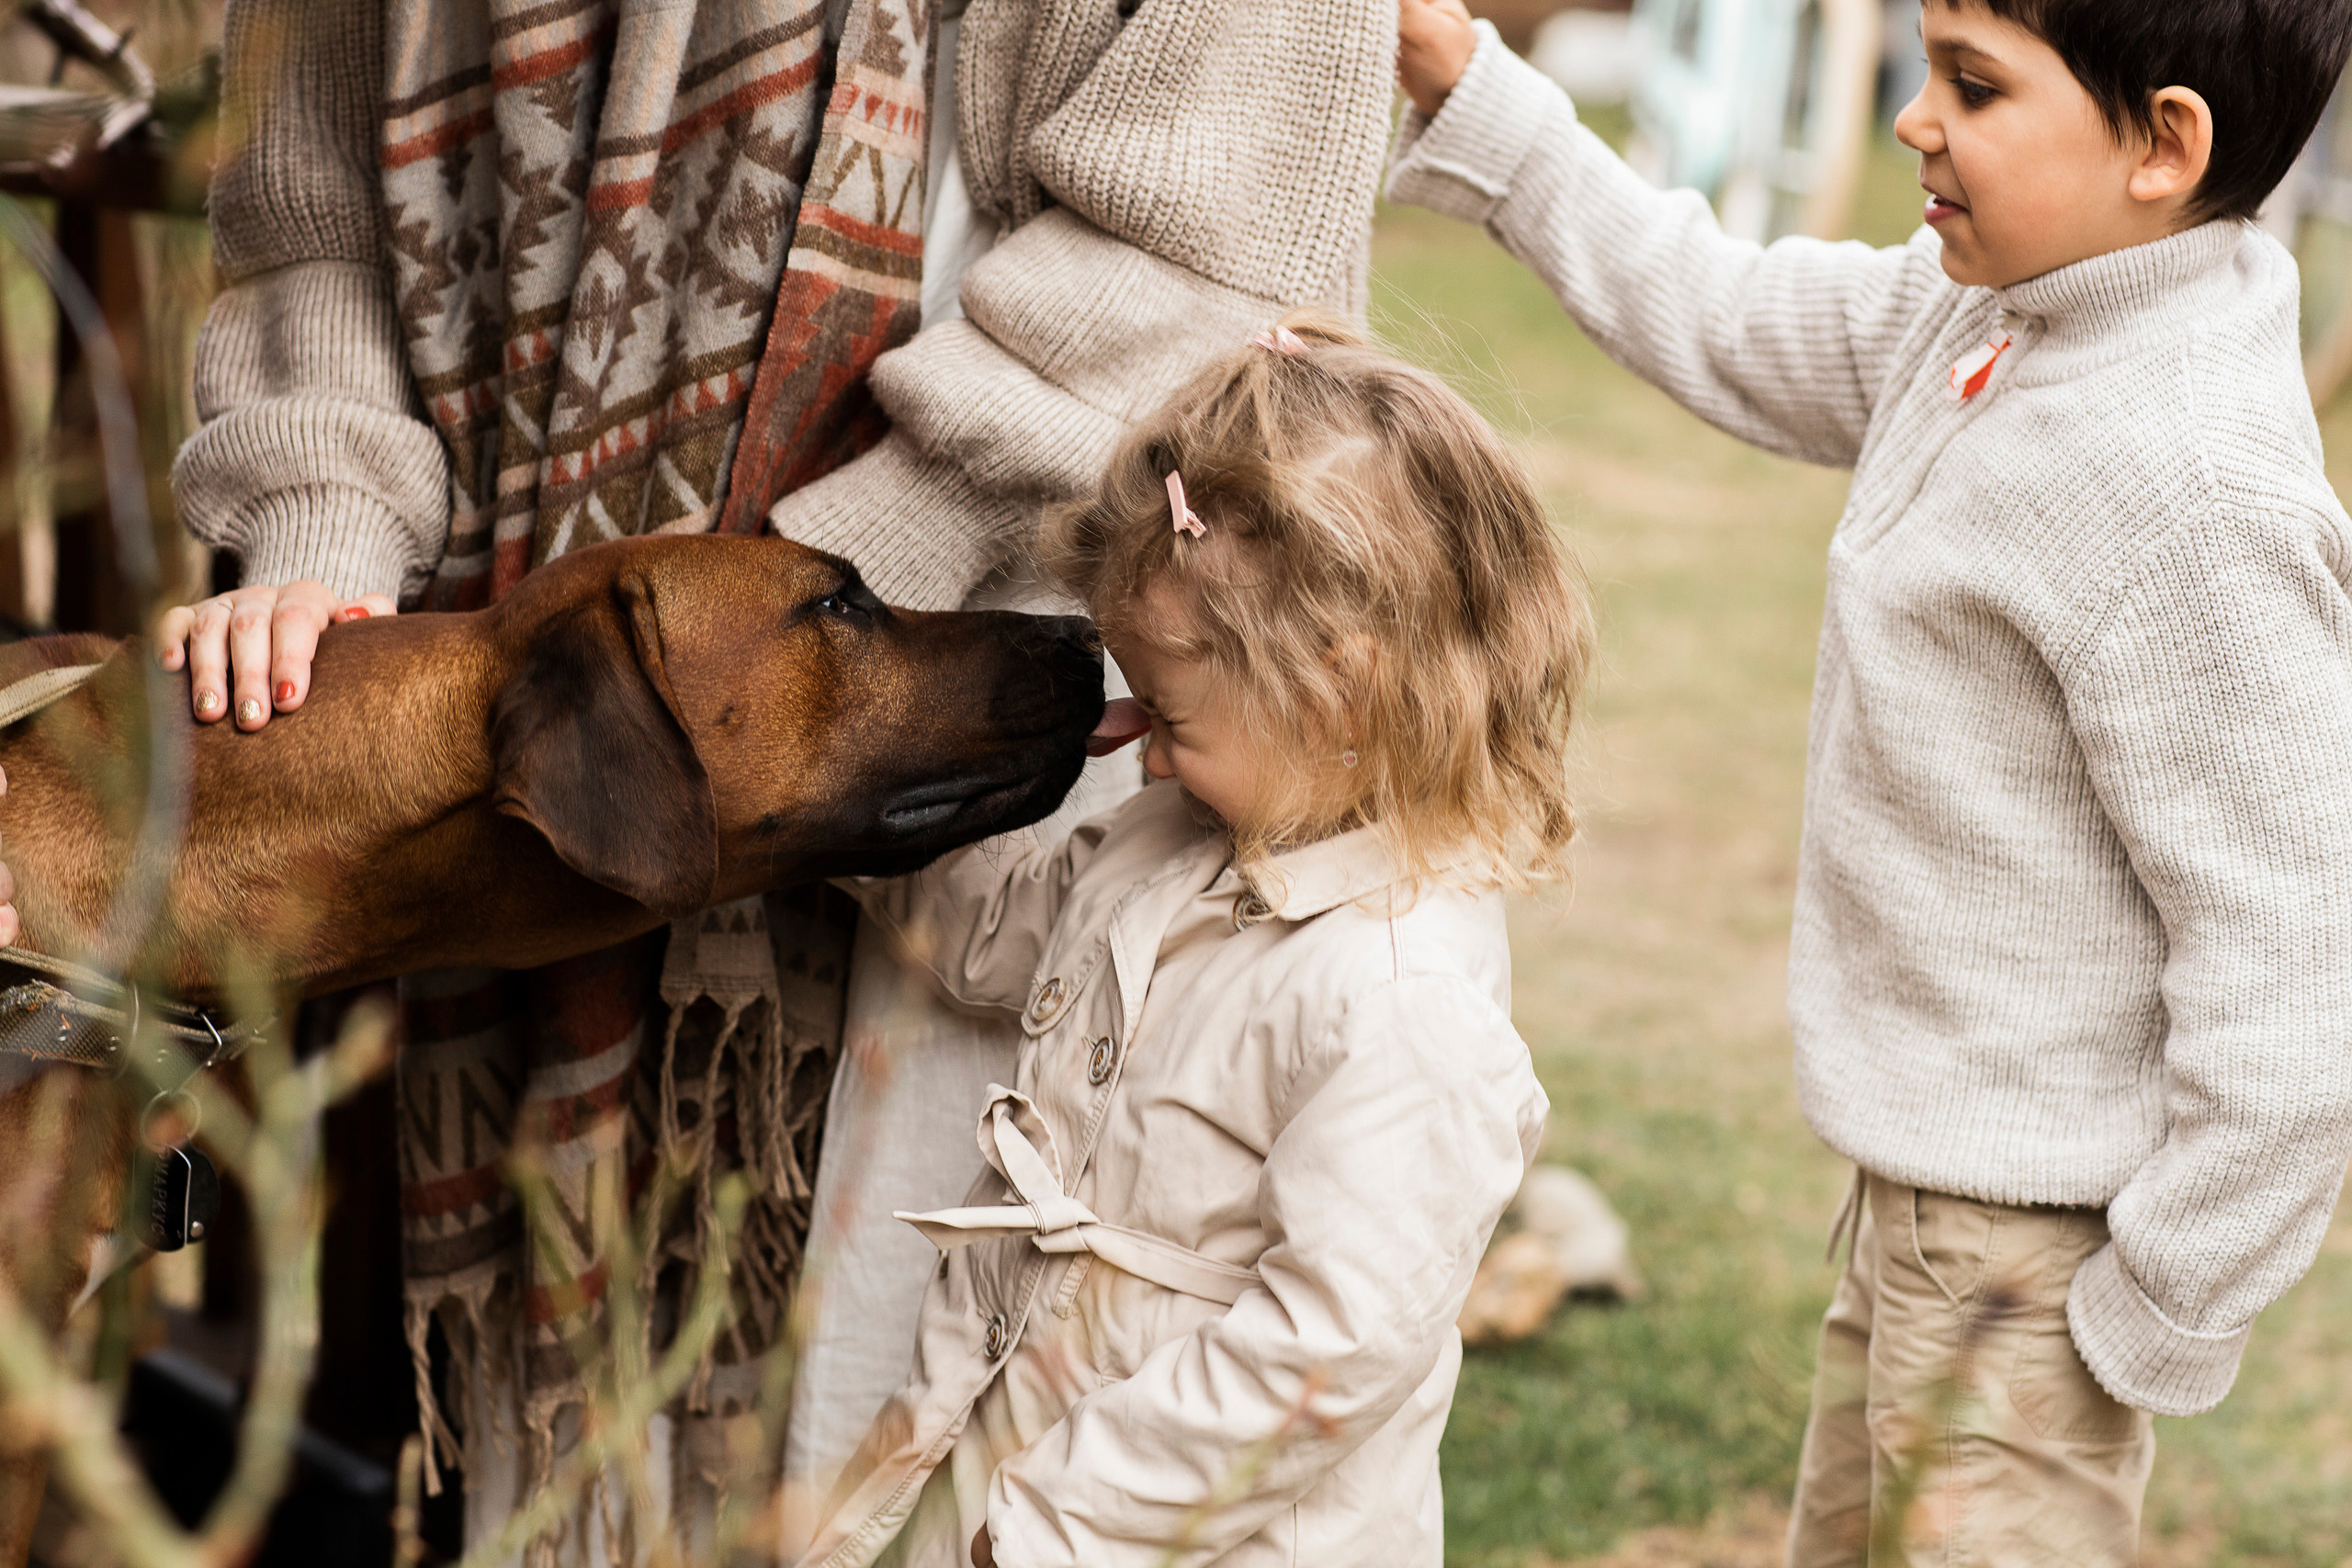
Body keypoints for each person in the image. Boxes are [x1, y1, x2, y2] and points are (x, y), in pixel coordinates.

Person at [0, 0, 1398, 1552]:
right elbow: (311, 200)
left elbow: (1202, 240)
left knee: (898, 1413)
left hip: (970, 605)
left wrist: (801, 632)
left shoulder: (1366, 993)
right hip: (564, 669)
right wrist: (327, 553)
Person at [1392, 0, 2352, 1561]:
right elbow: (1721, 309)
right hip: (1915, 1219)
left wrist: (2153, 1306)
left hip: (2034, 1269)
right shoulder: (1991, 312)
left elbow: (2300, 965)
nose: (1914, 120)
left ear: (2165, 147)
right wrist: (1484, 99)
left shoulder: (2195, 489)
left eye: (1973, 86)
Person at [788, 315, 1591, 1568]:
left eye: (1168, 713)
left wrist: (1063, 1523)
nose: (1142, 750)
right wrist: (836, 807)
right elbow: (999, 937)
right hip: (1019, 1452)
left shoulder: (1397, 995)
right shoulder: (1169, 843)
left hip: (1180, 1526)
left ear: (1338, 687)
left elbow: (1324, 1354)